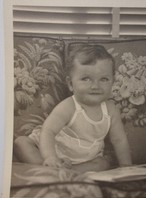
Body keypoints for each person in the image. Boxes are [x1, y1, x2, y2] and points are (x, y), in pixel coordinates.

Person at [14, 44, 132, 173]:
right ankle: (49, 168)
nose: (95, 86)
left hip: (85, 160)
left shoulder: (111, 110)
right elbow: (48, 131)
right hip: (52, 152)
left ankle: (68, 171)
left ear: (112, 82)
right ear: (71, 84)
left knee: (103, 163)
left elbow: (119, 139)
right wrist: (50, 157)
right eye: (86, 79)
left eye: (104, 79)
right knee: (21, 143)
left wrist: (126, 166)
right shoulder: (68, 106)